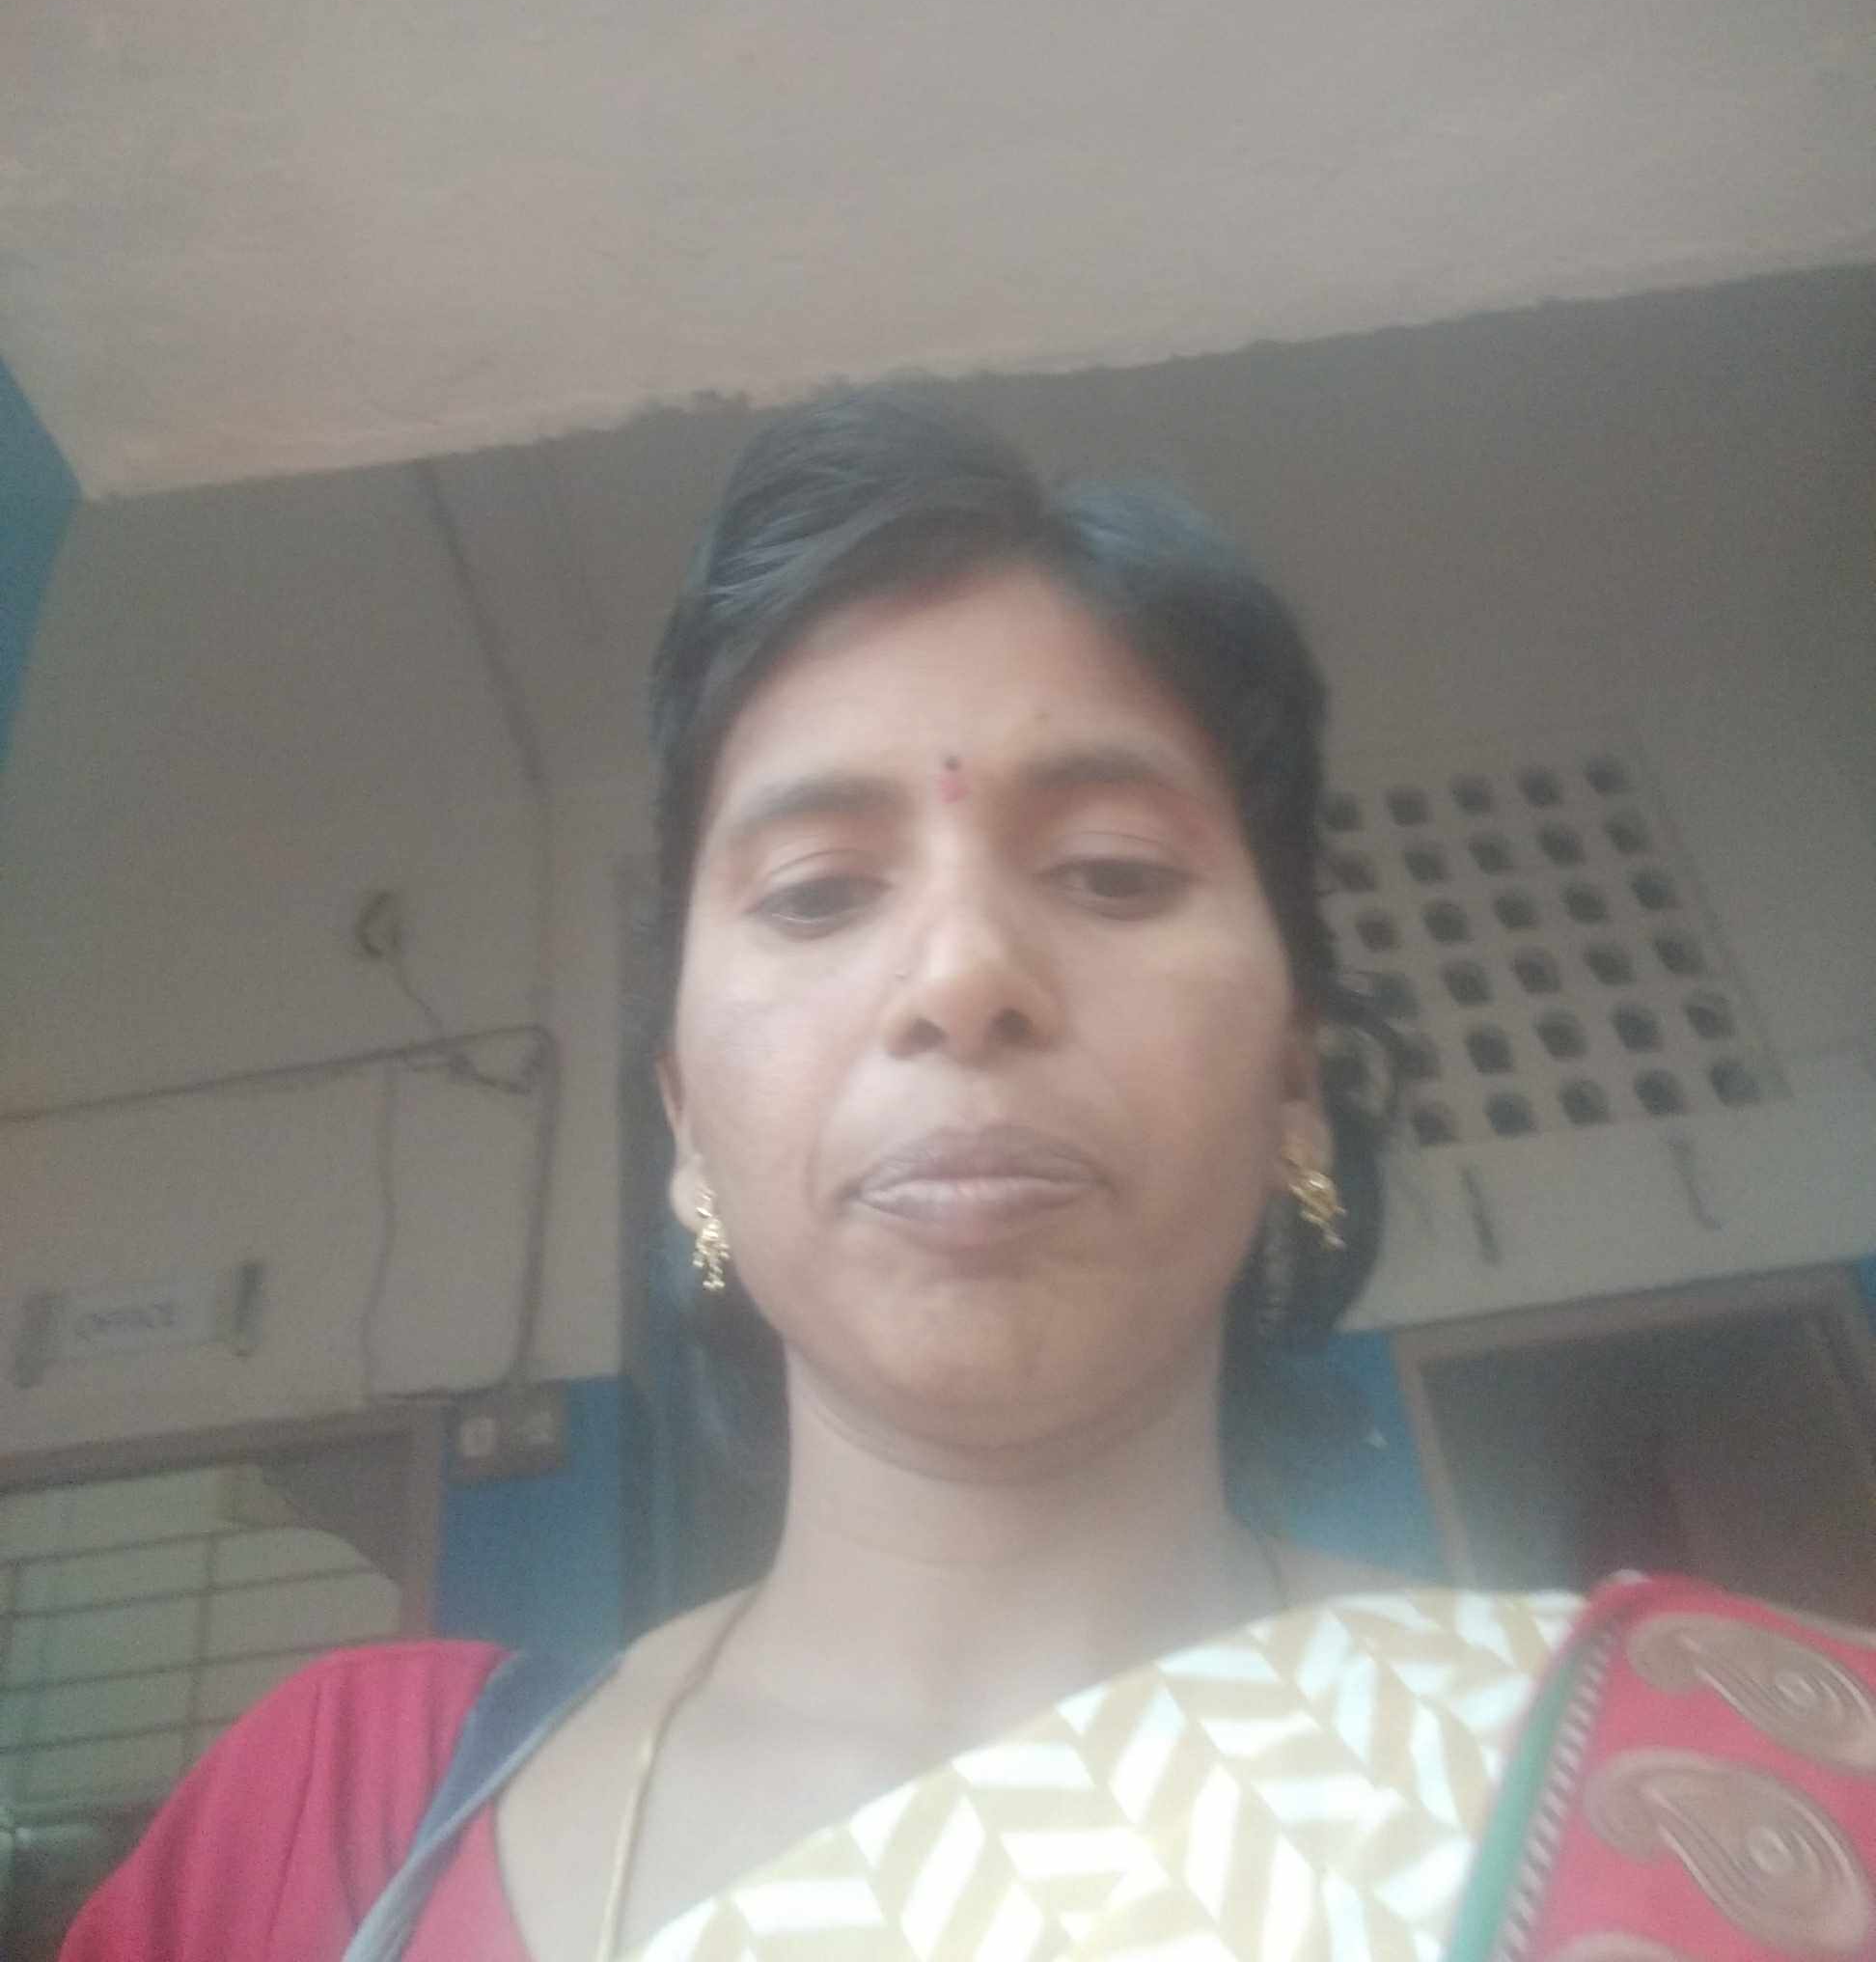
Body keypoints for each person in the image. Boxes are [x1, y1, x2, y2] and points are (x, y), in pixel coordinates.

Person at [64, 391, 1876, 1960]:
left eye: (1111, 872)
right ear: (685, 1126)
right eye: (816, 893)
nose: (961, 976)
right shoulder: (335, 1824)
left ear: (1296, 1083)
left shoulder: (1744, 1786)